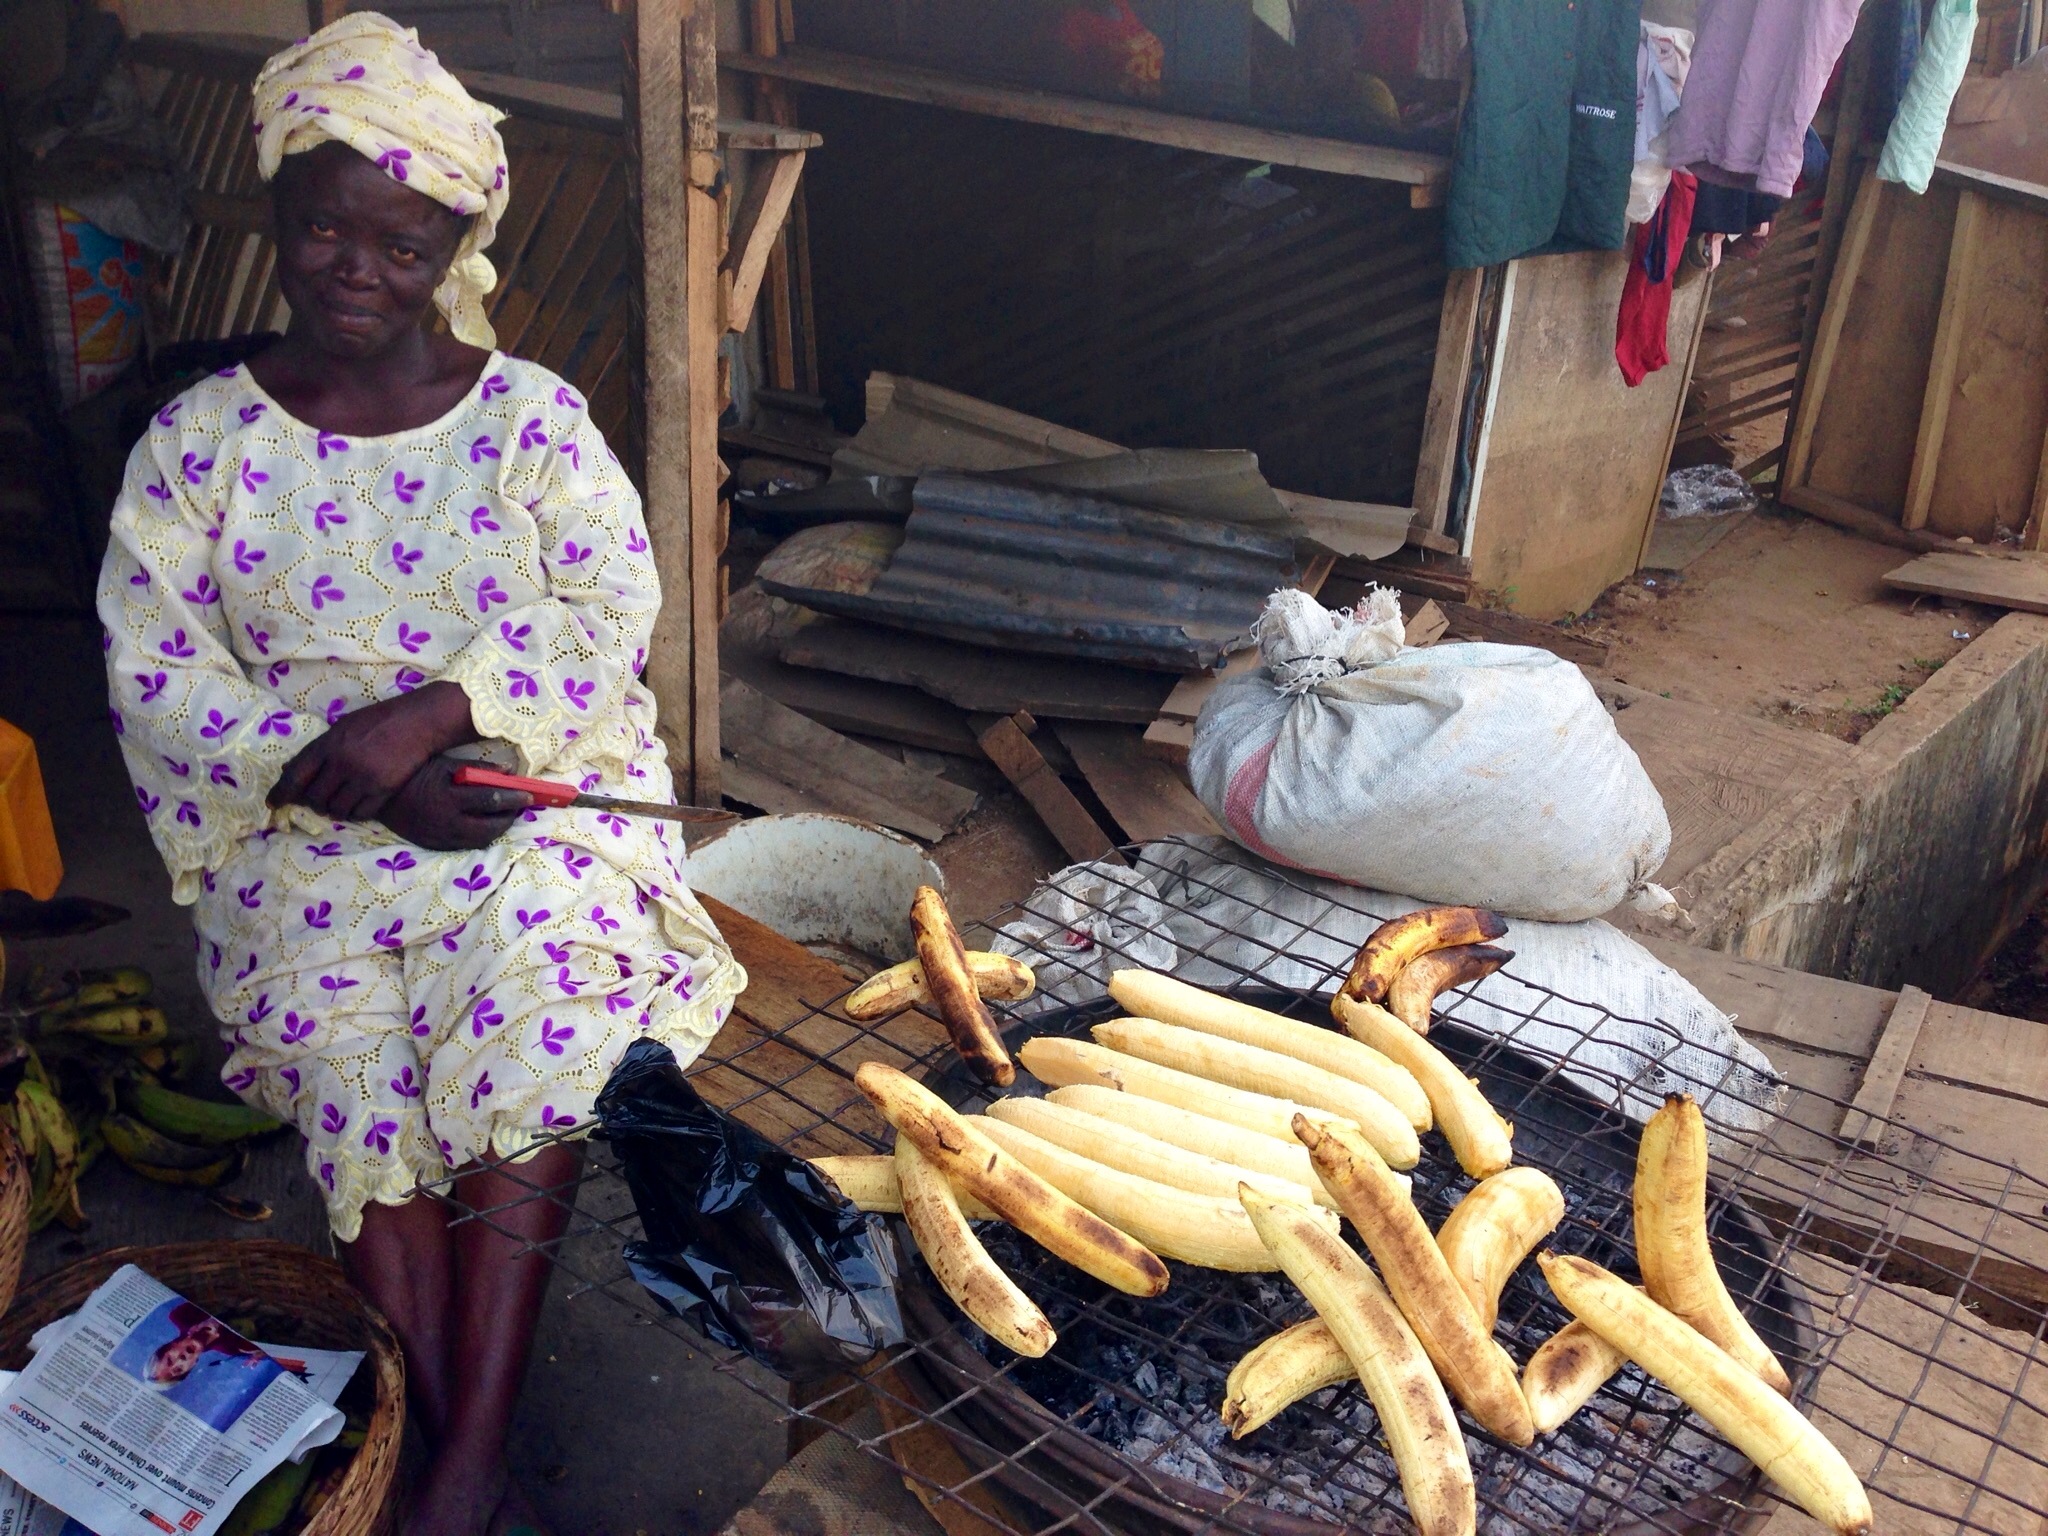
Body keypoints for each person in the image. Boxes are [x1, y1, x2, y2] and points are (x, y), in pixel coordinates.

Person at [97, 15, 745, 1534]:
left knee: (533, 991)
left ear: (456, 237)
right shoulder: (198, 446)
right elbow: (156, 671)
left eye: (401, 240)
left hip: (514, 809)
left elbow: (605, 615)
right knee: (354, 1071)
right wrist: (355, 770)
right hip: (298, 824)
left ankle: (464, 1445)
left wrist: (438, 722)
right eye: (321, 225)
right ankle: (451, 1425)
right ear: (272, 216)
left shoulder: (533, 426)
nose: (355, 267)